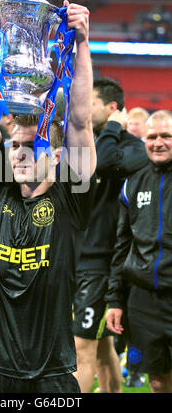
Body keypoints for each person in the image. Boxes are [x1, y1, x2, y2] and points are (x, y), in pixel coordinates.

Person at [0, 1, 96, 394]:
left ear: (55, 154)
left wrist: (84, 42)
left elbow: (79, 119)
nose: (18, 154)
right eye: (14, 146)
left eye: (29, 146)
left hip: (49, 370)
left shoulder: (71, 196)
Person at [72, 77, 149, 393]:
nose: (86, 110)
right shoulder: (90, 140)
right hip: (82, 258)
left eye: (92, 104)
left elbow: (101, 163)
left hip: (103, 264)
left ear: (112, 108)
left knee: (81, 346)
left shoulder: (132, 146)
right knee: (102, 348)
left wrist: (115, 127)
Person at [106, 110, 172, 394]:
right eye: (152, 137)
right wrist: (115, 299)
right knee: (156, 380)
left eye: (166, 136)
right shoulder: (132, 182)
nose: (158, 143)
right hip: (143, 301)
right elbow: (122, 245)